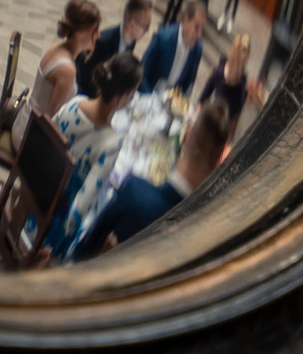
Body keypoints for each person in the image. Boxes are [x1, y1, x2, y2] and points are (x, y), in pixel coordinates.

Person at [69, 98, 230, 260]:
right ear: (218, 161)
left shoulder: (134, 192)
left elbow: (81, 254)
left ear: (186, 136)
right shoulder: (201, 240)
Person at [45, 51, 143, 258]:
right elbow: (79, 211)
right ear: (123, 97)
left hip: (32, 195)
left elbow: (43, 140)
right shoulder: (112, 143)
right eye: (132, 94)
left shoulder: (75, 102)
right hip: (50, 228)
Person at [29, 0, 103, 116]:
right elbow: (53, 120)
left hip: (27, 118)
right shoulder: (67, 70)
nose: (98, 36)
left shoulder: (56, 48)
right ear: (82, 32)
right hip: (31, 130)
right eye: (95, 30)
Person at [75, 0, 153, 97]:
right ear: (132, 24)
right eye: (146, 26)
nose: (146, 32)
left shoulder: (131, 41)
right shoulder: (103, 42)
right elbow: (85, 80)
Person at [140, 0, 211, 96]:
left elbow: (188, 84)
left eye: (202, 29)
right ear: (186, 19)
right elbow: (141, 74)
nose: (199, 34)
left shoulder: (197, 50)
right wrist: (151, 97)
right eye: (196, 27)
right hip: (150, 94)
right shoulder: (163, 38)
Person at [197, 31, 262, 135]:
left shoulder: (243, 82)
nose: (241, 65)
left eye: (244, 61)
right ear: (233, 55)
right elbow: (202, 100)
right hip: (210, 126)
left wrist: (254, 97)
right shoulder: (219, 73)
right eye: (239, 60)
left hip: (224, 133)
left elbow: (237, 114)